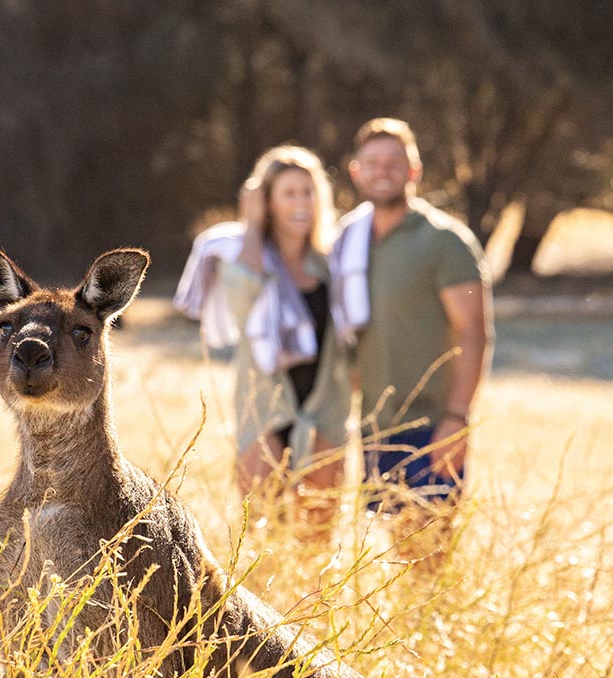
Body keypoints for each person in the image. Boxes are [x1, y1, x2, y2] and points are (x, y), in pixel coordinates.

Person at [328, 118, 493, 515]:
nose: (382, 171)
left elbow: (473, 331)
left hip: (432, 428)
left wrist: (457, 419)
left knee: (428, 557)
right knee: (390, 559)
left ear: (413, 171)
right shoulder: (347, 240)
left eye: (393, 162)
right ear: (356, 172)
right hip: (373, 428)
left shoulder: (445, 241)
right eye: (372, 162)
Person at [175, 145, 350, 504]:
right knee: (260, 524)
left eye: (308, 191)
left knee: (319, 529)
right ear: (268, 201)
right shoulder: (249, 258)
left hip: (324, 409)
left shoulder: (330, 264)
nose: (301, 202)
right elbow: (245, 296)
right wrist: (252, 223)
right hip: (264, 408)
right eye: (288, 193)